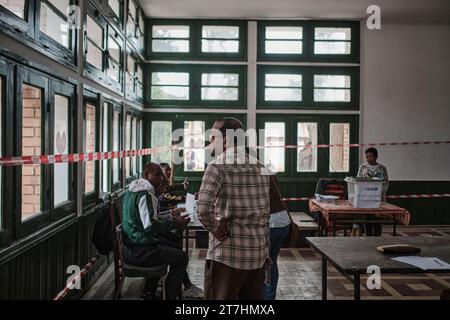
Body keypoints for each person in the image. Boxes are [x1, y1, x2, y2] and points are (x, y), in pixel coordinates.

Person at [197, 118, 271, 300]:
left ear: (226, 140)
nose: (209, 142)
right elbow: (265, 213)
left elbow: (203, 210)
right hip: (257, 256)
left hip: (227, 256)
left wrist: (215, 228)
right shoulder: (260, 166)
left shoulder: (217, 167)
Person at [121, 162, 190, 300]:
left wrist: (171, 215)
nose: (161, 178)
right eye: (157, 174)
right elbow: (150, 225)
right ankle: (170, 296)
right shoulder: (146, 194)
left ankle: (150, 291)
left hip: (131, 247)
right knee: (182, 257)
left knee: (174, 246)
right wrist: (175, 223)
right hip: (141, 251)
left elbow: (150, 218)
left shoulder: (133, 190)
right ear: (146, 175)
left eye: (161, 175)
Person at [264, 175, 291, 300]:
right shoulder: (266, 170)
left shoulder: (249, 173)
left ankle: (265, 298)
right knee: (272, 261)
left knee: (263, 264)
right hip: (283, 221)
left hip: (270, 222)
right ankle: (270, 296)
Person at [353, 147, 389, 236]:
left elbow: (386, 183)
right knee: (367, 219)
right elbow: (358, 181)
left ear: (376, 156)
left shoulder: (382, 168)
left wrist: (378, 192)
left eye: (371, 156)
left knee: (377, 220)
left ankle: (377, 237)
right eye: (367, 157)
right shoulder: (363, 167)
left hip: (378, 199)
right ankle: (368, 237)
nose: (369, 158)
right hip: (366, 198)